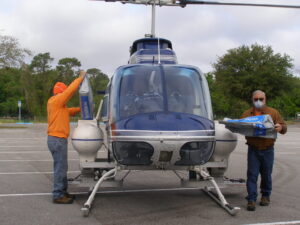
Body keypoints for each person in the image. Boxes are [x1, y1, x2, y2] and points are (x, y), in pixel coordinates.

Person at [241, 90, 287, 211]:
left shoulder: (273, 112)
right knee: (252, 174)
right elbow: (239, 127)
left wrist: (281, 127)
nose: (258, 101)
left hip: (268, 149)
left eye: (261, 99)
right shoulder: (246, 114)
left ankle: (265, 196)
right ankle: (251, 199)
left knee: (266, 174)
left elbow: (284, 127)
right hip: (253, 149)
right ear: (252, 100)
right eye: (256, 99)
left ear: (265, 99)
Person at [47, 70, 86, 204]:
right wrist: (80, 79)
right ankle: (58, 195)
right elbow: (69, 92)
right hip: (57, 139)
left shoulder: (59, 105)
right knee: (60, 168)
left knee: (62, 167)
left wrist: (82, 108)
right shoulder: (56, 101)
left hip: (57, 139)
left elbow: (69, 111)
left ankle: (63, 192)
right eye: (63, 93)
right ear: (60, 93)